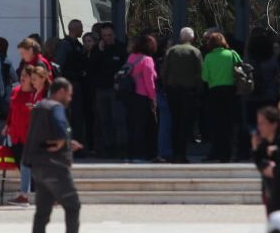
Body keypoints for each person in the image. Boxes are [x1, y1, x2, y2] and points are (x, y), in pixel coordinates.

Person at [23, 78, 94, 233]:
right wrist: (62, 141)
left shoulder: (40, 106)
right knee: (73, 205)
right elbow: (60, 128)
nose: (70, 99)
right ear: (61, 91)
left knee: (42, 211)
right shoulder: (56, 107)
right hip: (54, 165)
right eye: (69, 94)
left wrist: (68, 143)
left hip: (37, 165)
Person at [6, 64, 47, 205]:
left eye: (26, 76)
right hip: (17, 133)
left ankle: (26, 195)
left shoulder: (40, 93)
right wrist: (7, 125)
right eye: (21, 75)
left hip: (31, 133)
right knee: (25, 164)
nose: (22, 78)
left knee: (28, 164)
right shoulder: (17, 91)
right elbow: (11, 111)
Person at [161, 27, 202, 164]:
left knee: (175, 122)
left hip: (173, 91)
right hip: (189, 92)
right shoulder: (195, 52)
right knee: (185, 124)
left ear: (180, 37)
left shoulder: (171, 51)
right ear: (192, 38)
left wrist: (166, 87)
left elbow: (164, 71)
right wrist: (198, 90)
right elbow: (200, 72)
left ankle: (174, 153)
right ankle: (181, 154)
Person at [201, 31, 243, 162]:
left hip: (214, 93)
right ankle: (231, 153)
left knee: (217, 124)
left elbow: (205, 77)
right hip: (230, 92)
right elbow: (241, 69)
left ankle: (218, 152)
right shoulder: (232, 54)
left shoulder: (208, 57)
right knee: (230, 123)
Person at [87, 23, 126, 158]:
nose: (107, 38)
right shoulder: (97, 49)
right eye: (104, 36)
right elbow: (91, 67)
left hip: (116, 89)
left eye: (109, 35)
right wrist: (99, 51)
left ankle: (121, 148)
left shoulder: (121, 48)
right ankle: (107, 148)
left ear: (114, 34)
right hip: (101, 89)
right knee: (104, 120)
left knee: (118, 119)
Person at [121, 34, 159, 162]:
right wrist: (153, 98)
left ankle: (130, 154)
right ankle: (141, 154)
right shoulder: (147, 60)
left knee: (132, 126)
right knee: (145, 127)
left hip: (130, 95)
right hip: (142, 96)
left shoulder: (131, 57)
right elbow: (149, 81)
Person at [55, 19, 90, 147]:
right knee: (72, 115)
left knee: (77, 116)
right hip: (70, 83)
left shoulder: (77, 45)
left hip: (76, 84)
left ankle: (76, 144)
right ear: (74, 29)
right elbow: (58, 65)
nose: (82, 30)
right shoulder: (66, 45)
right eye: (80, 28)